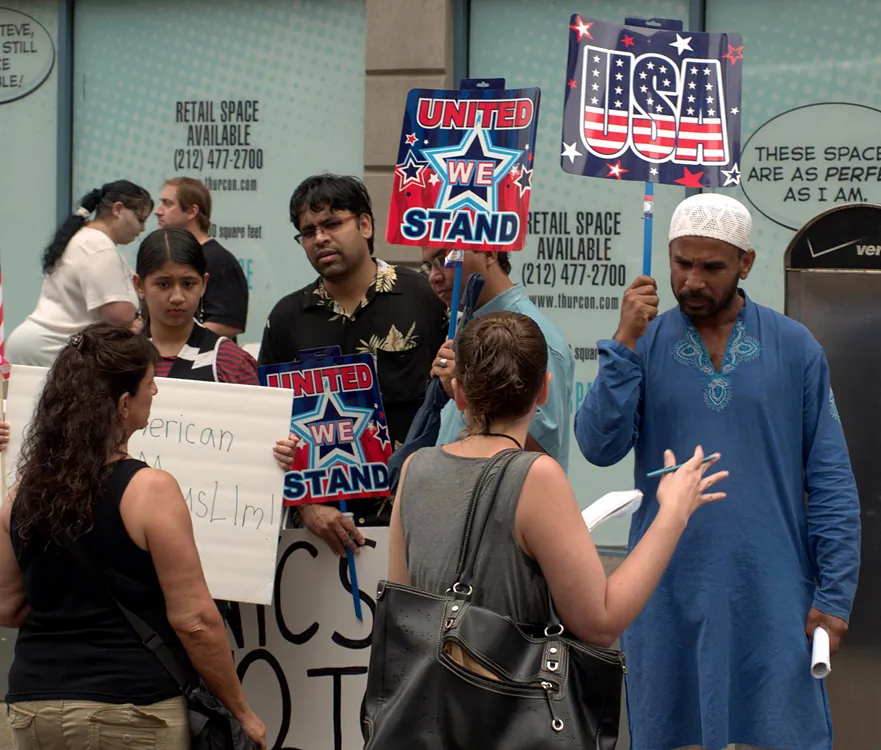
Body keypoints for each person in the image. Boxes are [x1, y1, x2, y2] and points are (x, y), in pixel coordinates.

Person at [574, 193, 861, 750]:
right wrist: (623, 341)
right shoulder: (647, 343)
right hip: (667, 590)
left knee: (782, 734)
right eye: (682, 263)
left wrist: (834, 595)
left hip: (773, 592)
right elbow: (598, 446)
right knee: (668, 734)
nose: (691, 281)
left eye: (711, 267)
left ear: (745, 264)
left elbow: (830, 480)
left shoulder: (796, 347)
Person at [389, 310, 727, 654]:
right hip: (503, 701)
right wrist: (673, 512)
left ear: (458, 393)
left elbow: (403, 611)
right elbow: (600, 623)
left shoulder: (416, 467)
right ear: (544, 390)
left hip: (422, 695)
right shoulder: (536, 476)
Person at [0, 323, 265, 749]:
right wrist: (241, 710)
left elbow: (8, 607)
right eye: (149, 383)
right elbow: (195, 620)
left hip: (35, 705)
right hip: (132, 709)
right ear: (124, 404)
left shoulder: (19, 496)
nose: (156, 392)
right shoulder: (150, 490)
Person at [264, 174, 447, 555]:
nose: (320, 238)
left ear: (365, 225)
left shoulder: (425, 299)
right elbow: (265, 428)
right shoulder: (286, 318)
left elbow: (456, 406)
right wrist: (305, 505)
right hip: (318, 534)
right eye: (308, 231)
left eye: (332, 223)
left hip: (415, 518)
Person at [420, 247, 574, 470]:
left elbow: (542, 456)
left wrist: (471, 397)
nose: (434, 277)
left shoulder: (537, 339)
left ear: (489, 253)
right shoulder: (465, 324)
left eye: (446, 259)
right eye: (428, 266)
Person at [6, 181, 151, 366]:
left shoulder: (83, 237)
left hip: (37, 346)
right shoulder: (99, 247)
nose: (142, 229)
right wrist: (139, 316)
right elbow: (119, 315)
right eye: (140, 219)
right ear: (118, 209)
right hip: (48, 352)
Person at [134, 228, 258, 385]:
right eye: (164, 284)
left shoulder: (231, 363)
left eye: (188, 284)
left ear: (204, 284)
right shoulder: (119, 359)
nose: (177, 297)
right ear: (139, 285)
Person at [154, 177, 250, 339]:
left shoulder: (219, 260)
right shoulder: (165, 256)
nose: (158, 211)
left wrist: (178, 341)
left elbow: (228, 323)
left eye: (167, 204)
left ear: (192, 211)